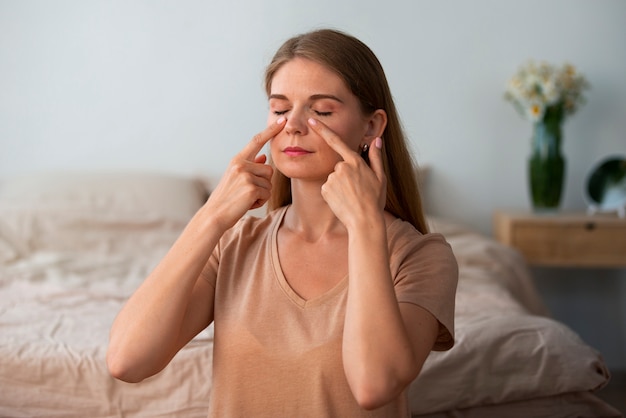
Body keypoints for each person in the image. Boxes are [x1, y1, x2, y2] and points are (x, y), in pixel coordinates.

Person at [107, 28, 458, 417]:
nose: (293, 124)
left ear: (371, 127)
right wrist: (212, 216)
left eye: (321, 111)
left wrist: (365, 228)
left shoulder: (422, 257)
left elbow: (373, 386)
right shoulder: (235, 244)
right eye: (279, 109)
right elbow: (127, 361)